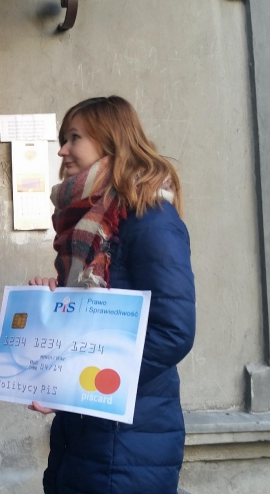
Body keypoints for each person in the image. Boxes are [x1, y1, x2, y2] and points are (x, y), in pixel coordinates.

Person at [28, 96, 196, 494]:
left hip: (128, 438)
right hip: (86, 432)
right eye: (63, 139)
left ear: (109, 141)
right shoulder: (87, 221)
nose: (62, 150)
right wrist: (57, 302)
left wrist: (79, 385)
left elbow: (172, 331)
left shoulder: (151, 219)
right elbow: (91, 319)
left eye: (74, 138)